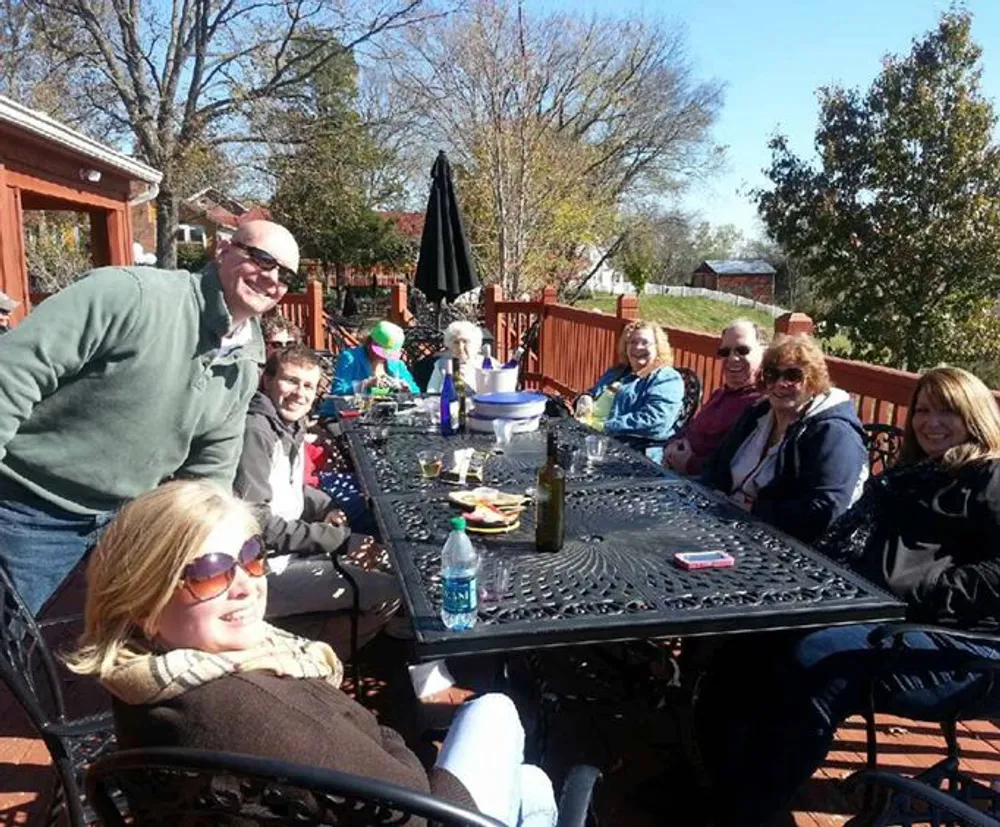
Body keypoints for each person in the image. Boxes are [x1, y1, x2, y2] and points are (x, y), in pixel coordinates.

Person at [65, 480, 559, 827]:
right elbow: (411, 797)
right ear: (144, 600)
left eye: (251, 558)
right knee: (496, 714)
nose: (244, 585)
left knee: (530, 781)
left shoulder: (142, 678)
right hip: (430, 814)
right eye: (210, 572)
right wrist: (379, 733)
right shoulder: (252, 708)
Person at [696, 366, 1000, 826]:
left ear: (973, 416)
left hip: (961, 646)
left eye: (947, 411)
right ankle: (713, 780)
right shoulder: (913, 475)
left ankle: (744, 810)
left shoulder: (990, 477)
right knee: (750, 634)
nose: (930, 422)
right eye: (922, 410)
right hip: (880, 610)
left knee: (821, 662)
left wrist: (917, 591)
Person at [0, 219, 298, 615]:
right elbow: (15, 372)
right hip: (29, 510)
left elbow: (212, 468)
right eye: (261, 258)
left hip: (127, 525)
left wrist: (210, 545)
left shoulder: (246, 359)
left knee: (94, 654)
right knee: (14, 651)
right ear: (224, 249)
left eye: (286, 274)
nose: (271, 278)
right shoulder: (131, 295)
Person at [235, 344, 399, 653]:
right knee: (391, 591)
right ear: (267, 381)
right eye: (290, 381)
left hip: (291, 555)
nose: (300, 393)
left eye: (308, 385)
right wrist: (340, 540)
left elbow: (292, 489)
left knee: (391, 561)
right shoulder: (255, 431)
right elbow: (256, 523)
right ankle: (303, 656)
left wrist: (327, 506)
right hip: (261, 573)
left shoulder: (288, 424)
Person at [700, 333, 867, 543]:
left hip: (782, 545)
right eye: (772, 374)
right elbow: (717, 464)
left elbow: (826, 510)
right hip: (725, 521)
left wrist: (756, 509)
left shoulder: (834, 433)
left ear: (813, 381)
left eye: (792, 376)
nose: (780, 383)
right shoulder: (759, 412)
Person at [664, 320, 766, 476]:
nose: (733, 358)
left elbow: (732, 467)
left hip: (703, 487)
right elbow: (691, 428)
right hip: (673, 472)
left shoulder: (759, 405)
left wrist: (689, 463)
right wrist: (671, 446)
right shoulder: (720, 393)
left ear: (763, 352)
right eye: (725, 352)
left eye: (742, 350)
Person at [573, 320, 684, 452]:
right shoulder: (617, 372)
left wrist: (603, 426)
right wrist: (586, 397)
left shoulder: (666, 378)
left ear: (658, 347)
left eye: (645, 342)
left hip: (627, 448)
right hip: (589, 437)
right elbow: (595, 393)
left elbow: (656, 420)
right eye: (632, 342)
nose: (638, 347)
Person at [332, 320, 419, 395]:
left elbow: (416, 392)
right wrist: (366, 384)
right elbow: (337, 392)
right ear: (369, 343)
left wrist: (407, 389)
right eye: (381, 352)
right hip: (346, 412)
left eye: (388, 354)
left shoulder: (396, 364)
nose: (384, 357)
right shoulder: (350, 358)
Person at [427, 321, 484, 393]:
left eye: (465, 341)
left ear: (475, 343)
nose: (460, 347)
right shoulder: (441, 364)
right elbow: (431, 391)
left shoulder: (484, 365)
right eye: (456, 342)